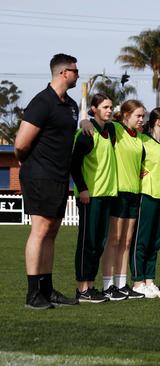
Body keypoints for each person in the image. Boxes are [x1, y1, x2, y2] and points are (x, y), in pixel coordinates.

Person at [16, 53, 80, 309]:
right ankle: (33, 294)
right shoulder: (42, 102)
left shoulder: (71, 105)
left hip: (59, 176)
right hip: (39, 175)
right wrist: (28, 163)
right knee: (40, 230)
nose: (78, 74)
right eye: (75, 70)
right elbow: (21, 144)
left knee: (52, 232)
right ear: (63, 72)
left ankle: (47, 289)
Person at [70, 93, 116, 303]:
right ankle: (82, 289)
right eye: (105, 107)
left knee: (98, 244)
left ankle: (90, 285)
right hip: (91, 196)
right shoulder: (87, 134)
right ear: (94, 109)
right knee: (87, 242)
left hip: (107, 195)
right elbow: (74, 164)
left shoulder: (110, 130)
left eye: (111, 107)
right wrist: (83, 189)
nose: (109, 110)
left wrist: (86, 118)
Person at [100, 99, 146, 300]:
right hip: (118, 192)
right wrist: (84, 123)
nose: (141, 119)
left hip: (135, 192)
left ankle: (121, 283)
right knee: (114, 240)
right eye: (138, 115)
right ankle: (107, 285)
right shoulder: (115, 129)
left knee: (126, 241)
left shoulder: (139, 137)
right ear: (126, 115)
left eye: (143, 116)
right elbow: (96, 125)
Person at [129, 107, 160, 298]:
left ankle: (150, 280)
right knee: (142, 241)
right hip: (146, 196)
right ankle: (138, 282)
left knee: (155, 242)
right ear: (158, 122)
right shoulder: (143, 141)